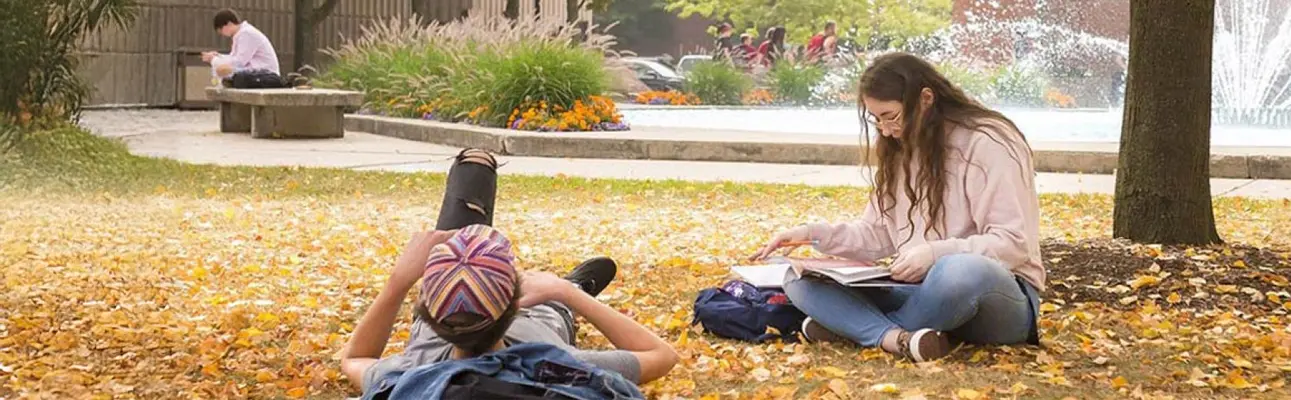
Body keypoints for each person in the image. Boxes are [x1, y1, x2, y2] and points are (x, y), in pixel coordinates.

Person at [751, 53, 1044, 362]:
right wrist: (810, 234)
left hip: (995, 298)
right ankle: (896, 339)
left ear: (925, 99)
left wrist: (934, 254)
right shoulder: (899, 148)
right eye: (876, 119)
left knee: (957, 270)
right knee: (798, 278)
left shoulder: (986, 141)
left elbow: (1013, 244)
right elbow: (876, 235)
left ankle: (856, 329)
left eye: (890, 116)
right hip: (920, 292)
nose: (885, 129)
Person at [341, 149, 680, 397]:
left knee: (457, 239)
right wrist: (565, 293)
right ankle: (575, 286)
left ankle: (470, 187)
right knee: (552, 307)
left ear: (426, 311)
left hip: (485, 312)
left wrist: (397, 283)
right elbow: (662, 356)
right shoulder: (561, 366)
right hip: (548, 312)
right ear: (517, 304)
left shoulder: (411, 371)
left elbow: (355, 358)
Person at [200, 9, 280, 80]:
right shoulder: (240, 34)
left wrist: (215, 59)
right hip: (258, 73)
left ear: (229, 23)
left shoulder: (246, 34)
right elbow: (235, 58)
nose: (222, 34)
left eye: (221, 30)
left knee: (225, 71)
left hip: (266, 75)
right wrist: (218, 56)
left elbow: (239, 62)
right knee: (225, 72)